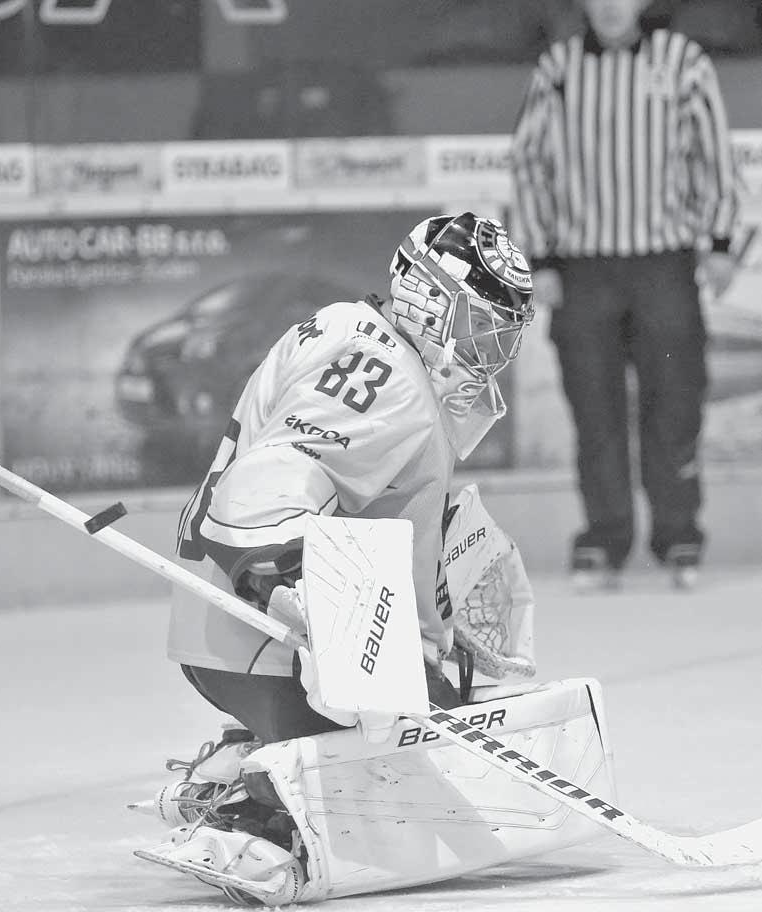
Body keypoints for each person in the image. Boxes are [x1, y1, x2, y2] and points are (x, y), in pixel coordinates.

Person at [140, 212, 542, 903]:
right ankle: (256, 815)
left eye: (502, 332)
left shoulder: (361, 337)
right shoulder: (385, 369)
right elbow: (272, 477)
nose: (491, 349)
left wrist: (448, 614)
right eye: (482, 325)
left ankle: (248, 756)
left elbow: (386, 507)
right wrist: (309, 602)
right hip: (259, 636)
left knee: (436, 713)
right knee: (408, 770)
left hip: (231, 636)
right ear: (427, 298)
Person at [510, 0, 739, 590]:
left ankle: (678, 533)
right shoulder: (558, 68)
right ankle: (605, 539)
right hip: (583, 269)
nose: (612, 7)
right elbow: (530, 162)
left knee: (675, 401)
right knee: (595, 409)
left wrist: (717, 242)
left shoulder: (682, 61)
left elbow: (713, 154)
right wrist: (541, 257)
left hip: (663, 265)